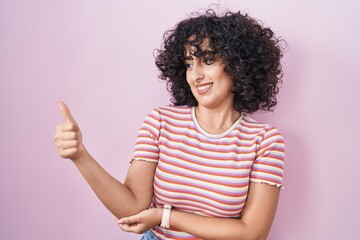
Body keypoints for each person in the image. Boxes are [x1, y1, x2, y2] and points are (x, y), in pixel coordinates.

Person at [54, 8, 285, 240]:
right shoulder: (160, 122)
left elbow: (252, 233)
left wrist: (165, 217)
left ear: (238, 65)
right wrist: (80, 156)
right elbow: (132, 207)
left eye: (208, 60)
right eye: (188, 64)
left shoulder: (264, 141)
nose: (196, 75)